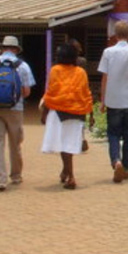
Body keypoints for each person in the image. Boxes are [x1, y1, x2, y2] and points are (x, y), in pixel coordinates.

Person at [0, 35, 35, 192]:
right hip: (15, 109)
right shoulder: (22, 65)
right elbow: (27, 91)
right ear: (16, 49)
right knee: (15, 143)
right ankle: (16, 176)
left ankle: (0, 180)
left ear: (2, 48)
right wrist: (13, 97)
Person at [98, 20, 128, 183]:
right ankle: (126, 168)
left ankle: (115, 161)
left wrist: (103, 100)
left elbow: (105, 78)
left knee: (112, 133)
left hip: (113, 100)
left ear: (115, 34)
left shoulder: (108, 52)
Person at [40, 43, 93, 190]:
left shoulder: (55, 70)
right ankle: (65, 171)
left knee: (65, 146)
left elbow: (51, 91)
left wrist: (44, 112)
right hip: (77, 112)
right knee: (68, 145)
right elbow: (86, 93)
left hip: (59, 112)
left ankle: (71, 177)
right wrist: (90, 114)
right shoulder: (81, 72)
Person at [68, 38, 91, 152]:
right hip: (79, 94)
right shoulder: (82, 61)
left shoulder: (62, 62)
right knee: (80, 119)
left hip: (67, 94)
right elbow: (84, 80)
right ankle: (80, 139)